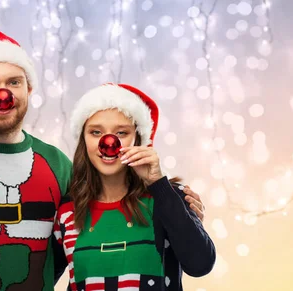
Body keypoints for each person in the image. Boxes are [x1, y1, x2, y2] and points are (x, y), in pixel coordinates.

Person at [0, 29, 207, 291]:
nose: (3, 93)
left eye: (14, 82)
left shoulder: (57, 164)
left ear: (29, 90)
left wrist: (173, 205)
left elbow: (77, 240)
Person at [53, 83, 216, 291]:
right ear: (83, 141)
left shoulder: (168, 198)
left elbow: (200, 264)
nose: (108, 142)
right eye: (95, 132)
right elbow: (41, 278)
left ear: (138, 139)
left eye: (121, 133)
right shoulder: (67, 211)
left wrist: (158, 183)